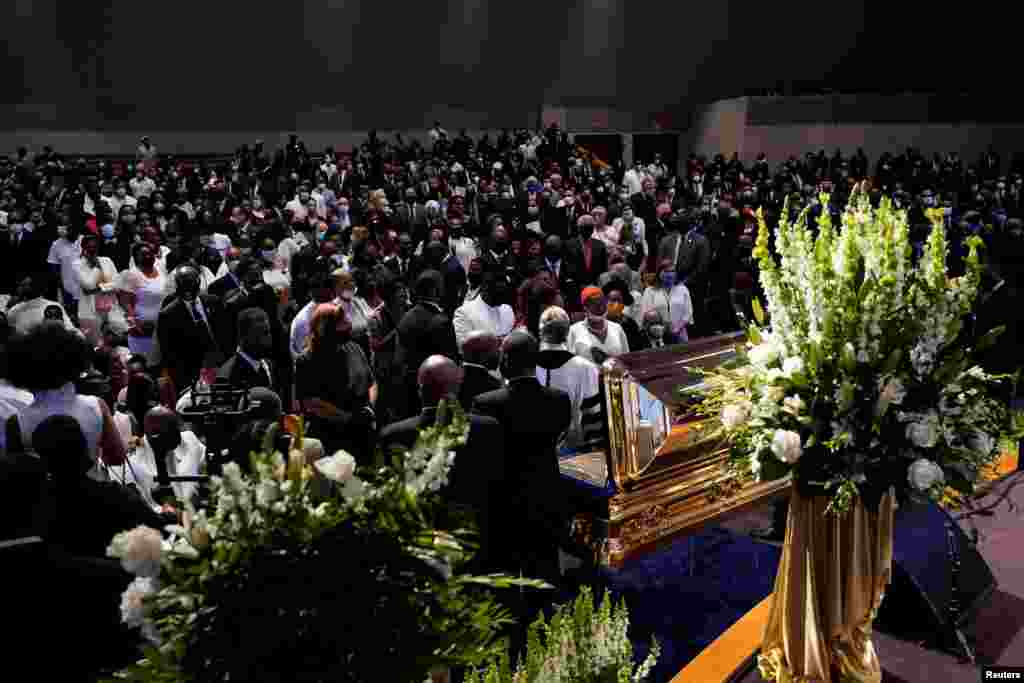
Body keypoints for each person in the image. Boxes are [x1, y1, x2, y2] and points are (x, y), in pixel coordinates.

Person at [378, 355, 504, 566]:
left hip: (421, 546)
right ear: (458, 387)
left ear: (419, 390)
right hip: (476, 541)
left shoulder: (392, 435)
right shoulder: (488, 428)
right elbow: (497, 483)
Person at [32, 414, 171, 558]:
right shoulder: (116, 496)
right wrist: (171, 514)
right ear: (84, 449)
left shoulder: (35, 505)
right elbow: (161, 528)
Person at [6, 321, 127, 477]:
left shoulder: (17, 422)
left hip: (44, 498)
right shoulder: (96, 405)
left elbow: (16, 474)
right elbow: (116, 458)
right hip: (95, 493)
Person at [295, 303, 377, 463]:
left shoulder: (354, 348)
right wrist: (347, 418)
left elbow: (371, 382)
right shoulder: (306, 361)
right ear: (326, 328)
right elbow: (311, 403)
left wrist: (369, 408)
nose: (349, 325)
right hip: (330, 439)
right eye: (343, 322)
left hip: (362, 432)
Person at [536, 307, 602, 451]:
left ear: (540, 333)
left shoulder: (527, 367)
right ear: (567, 333)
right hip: (574, 452)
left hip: (535, 452)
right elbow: (593, 418)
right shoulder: (586, 368)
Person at [396, 270, 459, 418]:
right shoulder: (441, 322)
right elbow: (450, 362)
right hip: (436, 395)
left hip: (410, 390)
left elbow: (399, 359)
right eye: (442, 286)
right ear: (436, 290)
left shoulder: (406, 317)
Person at [157, 266, 228, 396]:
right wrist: (185, 382)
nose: (188, 291)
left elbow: (226, 333)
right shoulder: (168, 314)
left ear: (198, 283)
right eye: (184, 285)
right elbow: (169, 353)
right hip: (191, 374)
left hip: (219, 366)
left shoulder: (213, 302)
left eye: (191, 284)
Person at [121, 406, 206, 509]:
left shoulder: (188, 439)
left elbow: (206, 462)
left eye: (177, 429)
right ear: (155, 437)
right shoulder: (136, 464)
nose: (179, 437)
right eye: (172, 433)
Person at [117, 242, 168, 367]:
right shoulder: (132, 275)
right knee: (144, 366)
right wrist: (135, 324)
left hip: (160, 327)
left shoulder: (160, 270)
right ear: (136, 258)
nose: (149, 256)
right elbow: (125, 302)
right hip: (142, 330)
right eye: (144, 254)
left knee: (159, 365)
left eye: (150, 253)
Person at [76, 233, 126, 344]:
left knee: (118, 338)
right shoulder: (78, 264)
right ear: (83, 248)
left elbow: (118, 284)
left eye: (95, 246)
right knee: (95, 343)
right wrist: (96, 267)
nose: (92, 249)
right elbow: (88, 285)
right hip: (90, 310)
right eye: (89, 247)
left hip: (111, 307)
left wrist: (100, 288)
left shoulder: (106, 261)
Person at [217, 307, 278, 394]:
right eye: (261, 334)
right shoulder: (227, 376)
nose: (268, 339)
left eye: (268, 333)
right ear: (243, 337)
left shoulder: (268, 365)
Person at [452, 269, 515, 351]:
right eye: (499, 293)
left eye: (505, 292)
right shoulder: (464, 312)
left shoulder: (507, 309)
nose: (503, 298)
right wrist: (497, 342)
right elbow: (463, 347)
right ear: (485, 287)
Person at [566, 287, 630, 364]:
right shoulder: (574, 331)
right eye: (593, 304)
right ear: (585, 307)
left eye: (601, 302)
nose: (599, 307)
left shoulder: (617, 328)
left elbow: (626, 360)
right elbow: (570, 365)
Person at [640, 258, 694, 343]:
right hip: (657, 336)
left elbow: (688, 313)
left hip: (680, 333)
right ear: (659, 273)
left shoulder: (683, 289)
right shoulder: (650, 291)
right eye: (666, 271)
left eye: (672, 271)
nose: (669, 274)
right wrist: (663, 328)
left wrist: (677, 328)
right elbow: (646, 314)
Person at [5, 272, 74, 334]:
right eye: (21, 285)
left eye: (23, 285)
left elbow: (70, 329)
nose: (19, 288)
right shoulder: (15, 310)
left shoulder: (53, 306)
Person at [458, 331, 503, 410]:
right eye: (496, 349)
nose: (499, 353)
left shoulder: (451, 379)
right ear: (484, 356)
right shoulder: (495, 386)